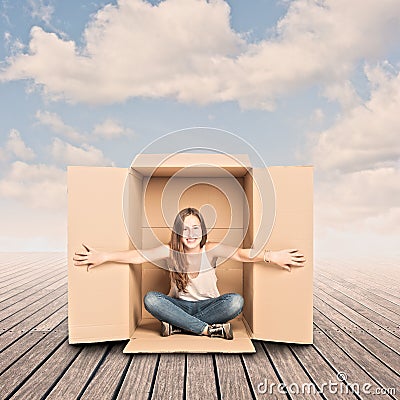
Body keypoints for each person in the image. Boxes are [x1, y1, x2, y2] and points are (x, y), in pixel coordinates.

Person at [73, 207, 306, 340]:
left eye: (196, 228)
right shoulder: (169, 251)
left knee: (236, 301)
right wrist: (104, 256)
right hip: (179, 306)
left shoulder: (211, 249)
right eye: (185, 228)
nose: (191, 233)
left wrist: (272, 256)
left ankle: (179, 327)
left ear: (202, 230)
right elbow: (138, 256)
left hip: (210, 307)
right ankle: (205, 330)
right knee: (151, 299)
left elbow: (243, 255)